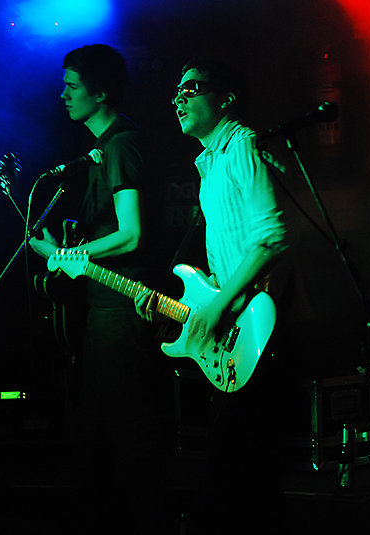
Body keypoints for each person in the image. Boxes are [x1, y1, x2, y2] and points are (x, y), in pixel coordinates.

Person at [135, 59, 289, 533]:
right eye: (176, 92)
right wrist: (184, 302)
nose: (178, 99)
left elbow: (272, 236)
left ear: (226, 99)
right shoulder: (209, 163)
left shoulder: (242, 145)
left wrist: (220, 305)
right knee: (236, 469)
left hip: (261, 323)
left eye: (192, 89)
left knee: (237, 468)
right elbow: (228, 258)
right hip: (234, 327)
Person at [29, 44, 164, 531]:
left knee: (123, 435)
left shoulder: (122, 146)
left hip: (124, 310)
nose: (62, 95)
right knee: (98, 433)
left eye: (72, 86)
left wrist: (66, 256)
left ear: (101, 91)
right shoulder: (101, 150)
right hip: (106, 309)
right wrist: (65, 252)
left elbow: (132, 234)